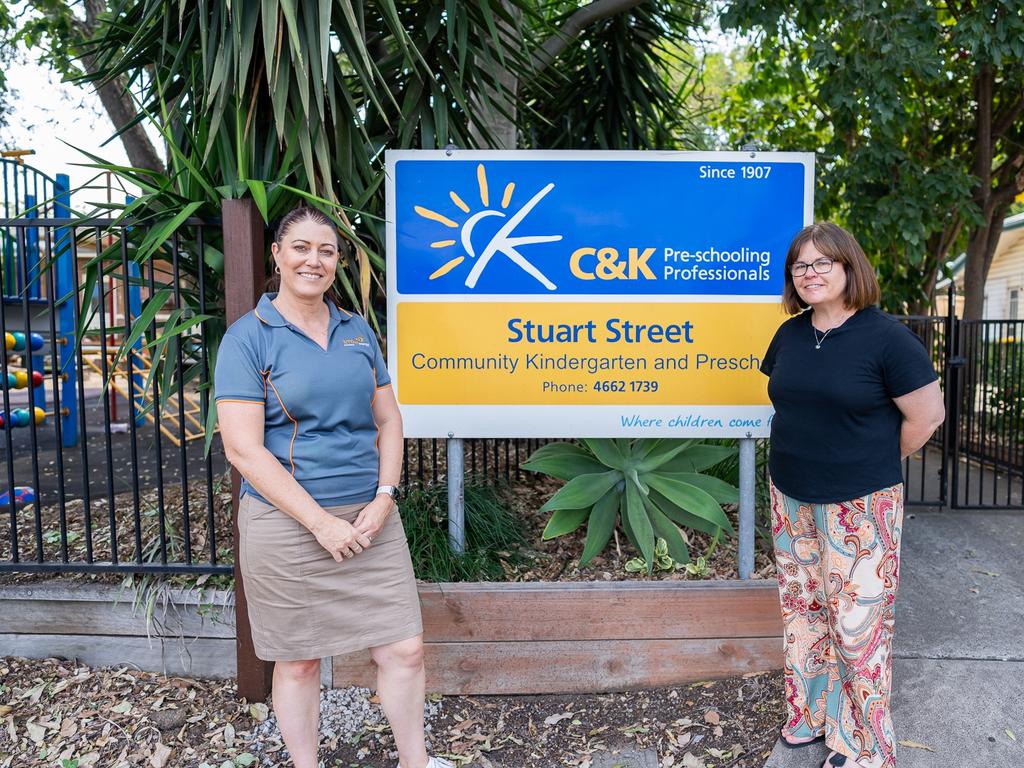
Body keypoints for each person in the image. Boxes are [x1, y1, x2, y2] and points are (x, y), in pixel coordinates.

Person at [215, 206, 451, 768]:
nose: (312, 260)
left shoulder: (356, 330)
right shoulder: (247, 339)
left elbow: (389, 420)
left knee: (405, 649)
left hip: (370, 518)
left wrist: (385, 495)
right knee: (297, 661)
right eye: (300, 247)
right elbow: (242, 448)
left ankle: (415, 763)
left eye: (325, 251)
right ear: (276, 255)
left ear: (337, 262)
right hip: (289, 523)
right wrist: (319, 522)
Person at [759, 222, 945, 768]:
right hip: (790, 496)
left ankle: (864, 742)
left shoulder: (887, 338)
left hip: (859, 505)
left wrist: (870, 464)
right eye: (800, 265)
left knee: (857, 625)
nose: (810, 273)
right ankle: (810, 715)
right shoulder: (790, 335)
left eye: (822, 263)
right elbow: (793, 403)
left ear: (848, 268)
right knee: (804, 611)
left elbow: (926, 416)